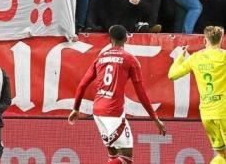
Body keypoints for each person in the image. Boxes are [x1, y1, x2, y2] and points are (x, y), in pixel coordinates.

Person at [69, 25, 167, 164]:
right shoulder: (130, 59)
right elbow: (141, 93)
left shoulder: (101, 57)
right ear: (126, 38)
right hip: (113, 112)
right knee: (126, 158)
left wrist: (75, 109)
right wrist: (155, 118)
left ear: (110, 39)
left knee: (113, 156)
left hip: (98, 111)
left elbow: (82, 84)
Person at [168, 26, 226, 164]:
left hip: (207, 113)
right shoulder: (224, 56)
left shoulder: (195, 58)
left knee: (222, 156)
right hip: (224, 111)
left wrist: (180, 58)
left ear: (205, 40)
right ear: (221, 39)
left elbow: (172, 75)